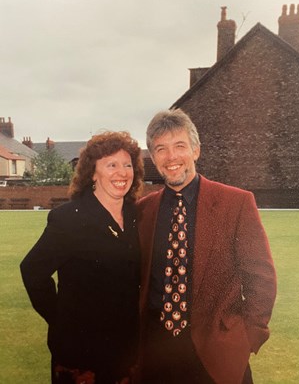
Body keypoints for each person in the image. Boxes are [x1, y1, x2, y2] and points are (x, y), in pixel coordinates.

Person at [136, 109, 277, 384]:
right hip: (156, 355)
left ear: (196, 151)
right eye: (161, 149)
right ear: (153, 158)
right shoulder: (143, 211)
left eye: (179, 146)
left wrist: (247, 336)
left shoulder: (236, 203)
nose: (171, 157)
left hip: (217, 356)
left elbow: (261, 277)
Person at [20, 131, 144, 384]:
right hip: (81, 355)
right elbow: (33, 270)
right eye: (111, 165)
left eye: (127, 165)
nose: (122, 172)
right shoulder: (70, 218)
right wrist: (59, 318)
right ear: (93, 173)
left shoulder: (136, 215)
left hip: (126, 351)